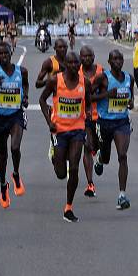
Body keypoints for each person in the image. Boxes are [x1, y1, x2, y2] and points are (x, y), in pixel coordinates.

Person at [40, 51, 91, 222]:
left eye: (77, 63)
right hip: (59, 130)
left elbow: (88, 102)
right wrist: (49, 122)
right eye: (71, 63)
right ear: (65, 65)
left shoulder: (85, 82)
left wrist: (89, 113)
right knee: (61, 173)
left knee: (74, 167)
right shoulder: (55, 80)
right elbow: (41, 100)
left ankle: (68, 207)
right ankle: (54, 155)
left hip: (77, 129)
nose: (75, 66)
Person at [0, 42, 29, 208]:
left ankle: (15, 174)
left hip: (16, 115)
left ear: (11, 53)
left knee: (15, 148)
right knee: (2, 154)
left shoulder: (21, 71)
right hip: (0, 117)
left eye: (5, 53)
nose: (2, 57)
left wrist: (25, 97)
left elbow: (25, 85)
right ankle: (4, 185)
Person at [92, 49, 134, 210]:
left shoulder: (129, 78)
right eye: (115, 59)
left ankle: (122, 195)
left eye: (120, 58)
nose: (118, 61)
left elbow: (131, 99)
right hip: (104, 123)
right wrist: (106, 94)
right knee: (107, 157)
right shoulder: (102, 78)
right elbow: (89, 97)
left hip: (122, 122)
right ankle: (100, 159)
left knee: (122, 156)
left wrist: (130, 103)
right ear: (109, 62)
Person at [78, 46, 103, 198]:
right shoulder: (77, 72)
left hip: (100, 116)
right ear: (80, 58)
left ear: (93, 57)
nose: (87, 58)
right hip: (84, 116)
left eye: (89, 56)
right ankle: (90, 183)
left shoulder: (101, 71)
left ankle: (99, 158)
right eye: (84, 56)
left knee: (98, 146)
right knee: (87, 146)